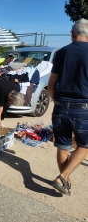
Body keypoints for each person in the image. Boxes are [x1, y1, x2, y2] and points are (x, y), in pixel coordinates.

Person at [47, 18, 88, 196]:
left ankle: (65, 179)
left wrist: (56, 101)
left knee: (62, 146)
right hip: (83, 108)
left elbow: (51, 85)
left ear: (72, 34)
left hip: (60, 106)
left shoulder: (62, 52)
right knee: (84, 145)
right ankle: (63, 176)